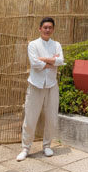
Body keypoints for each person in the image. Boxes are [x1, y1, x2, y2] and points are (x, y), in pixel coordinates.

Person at [17, 17, 64, 161]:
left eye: (50, 27)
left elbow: (61, 61)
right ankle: (25, 148)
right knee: (30, 118)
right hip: (35, 85)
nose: (47, 30)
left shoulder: (56, 45)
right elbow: (35, 64)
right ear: (40, 29)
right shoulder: (33, 45)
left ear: (53, 29)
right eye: (45, 27)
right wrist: (51, 61)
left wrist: (43, 59)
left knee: (51, 117)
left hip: (51, 85)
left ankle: (47, 146)